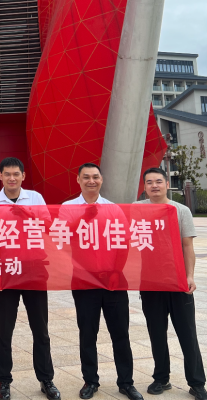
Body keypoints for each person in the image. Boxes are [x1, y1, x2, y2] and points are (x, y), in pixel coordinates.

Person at [62, 164, 142, 400]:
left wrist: (116, 271)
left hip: (114, 279)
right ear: (78, 180)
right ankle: (90, 381)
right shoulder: (68, 208)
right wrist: (82, 219)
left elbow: (123, 243)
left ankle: (126, 382)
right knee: (88, 334)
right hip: (84, 280)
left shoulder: (113, 209)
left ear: (101, 179)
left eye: (95, 177)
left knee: (120, 334)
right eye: (86, 177)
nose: (91, 181)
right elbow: (62, 238)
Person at [0, 158, 60, 400]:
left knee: (41, 329)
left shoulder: (35, 198)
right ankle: (4, 381)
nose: (12, 178)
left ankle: (46, 379)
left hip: (34, 269)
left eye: (16, 174)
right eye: (7, 174)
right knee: (4, 330)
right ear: (0, 176)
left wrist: (27, 215)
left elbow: (48, 227)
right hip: (5, 271)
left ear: (23, 176)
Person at [133, 168, 207, 400]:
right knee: (156, 333)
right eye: (149, 182)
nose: (154, 185)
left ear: (167, 184)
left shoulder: (180, 210)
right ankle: (161, 378)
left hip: (177, 282)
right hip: (150, 282)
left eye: (158, 181)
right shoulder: (136, 209)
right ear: (144, 187)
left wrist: (190, 276)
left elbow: (187, 246)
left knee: (187, 334)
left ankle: (196, 383)